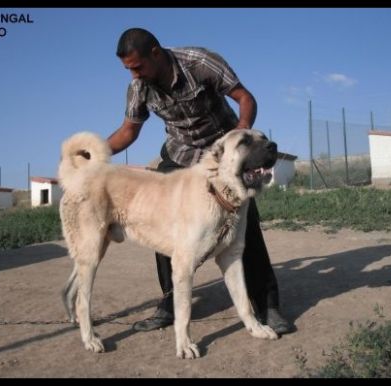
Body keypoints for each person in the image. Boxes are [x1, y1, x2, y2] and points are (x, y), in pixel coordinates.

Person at [106, 28, 293, 335]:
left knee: (245, 224)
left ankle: (268, 305)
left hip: (224, 151)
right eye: (128, 69)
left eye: (136, 67)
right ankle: (170, 301)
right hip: (181, 154)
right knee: (162, 216)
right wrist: (96, 152)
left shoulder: (200, 62)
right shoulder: (138, 86)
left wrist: (241, 135)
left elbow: (244, 97)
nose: (133, 75)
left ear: (156, 53)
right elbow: (129, 131)